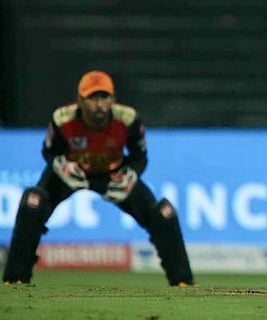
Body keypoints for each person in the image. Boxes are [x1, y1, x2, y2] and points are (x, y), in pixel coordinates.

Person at [2, 70, 194, 286]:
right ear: (80, 101)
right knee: (33, 202)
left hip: (112, 173)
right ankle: (16, 279)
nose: (99, 105)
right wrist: (61, 167)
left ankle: (182, 282)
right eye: (92, 98)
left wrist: (130, 175)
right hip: (72, 171)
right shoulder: (62, 119)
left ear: (113, 99)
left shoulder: (128, 120)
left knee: (163, 214)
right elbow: (49, 152)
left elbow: (140, 158)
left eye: (104, 97)